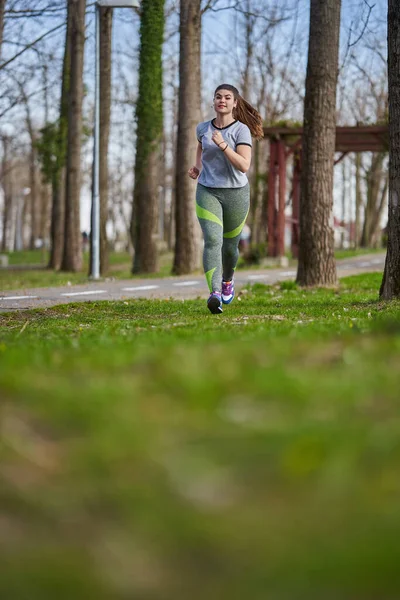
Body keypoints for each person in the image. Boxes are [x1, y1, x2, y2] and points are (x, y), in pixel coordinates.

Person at [188, 83, 264, 314]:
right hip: (207, 190)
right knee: (212, 240)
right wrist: (197, 167)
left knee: (230, 249)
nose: (222, 100)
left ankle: (227, 280)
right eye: (218, 96)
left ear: (235, 103)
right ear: (213, 101)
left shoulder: (241, 130)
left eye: (227, 97)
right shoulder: (202, 128)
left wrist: (223, 145)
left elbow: (244, 165)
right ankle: (214, 294)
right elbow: (201, 147)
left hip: (236, 194)